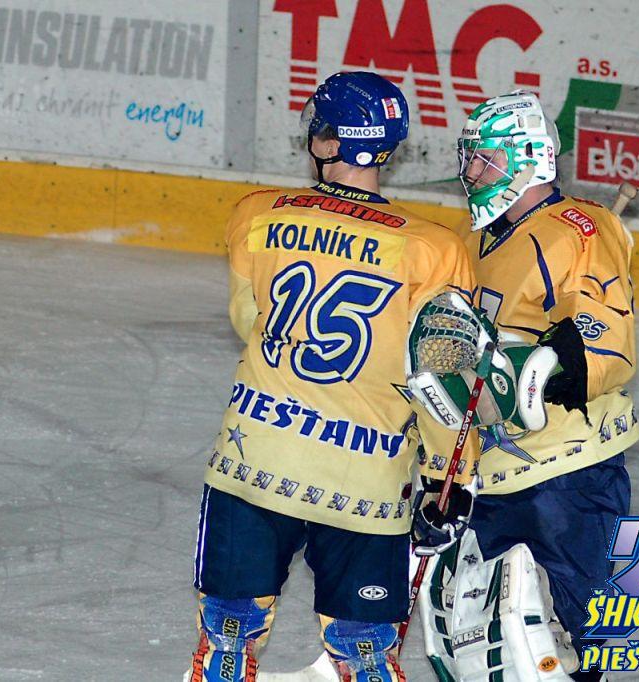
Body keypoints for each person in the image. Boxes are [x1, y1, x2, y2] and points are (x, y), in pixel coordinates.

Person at [188, 72, 475, 681]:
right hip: (367, 479)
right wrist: (447, 477)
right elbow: (444, 380)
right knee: (366, 653)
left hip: (256, 458)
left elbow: (247, 319)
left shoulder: (257, 213)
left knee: (228, 644)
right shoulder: (435, 249)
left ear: (327, 141)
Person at [409, 90, 638, 681]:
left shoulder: (578, 229)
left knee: (582, 634)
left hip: (568, 470)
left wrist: (559, 362)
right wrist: (444, 472)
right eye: (469, 158)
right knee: (493, 638)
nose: (471, 173)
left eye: (485, 159)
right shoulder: (472, 240)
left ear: (529, 158)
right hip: (494, 470)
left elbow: (608, 340)